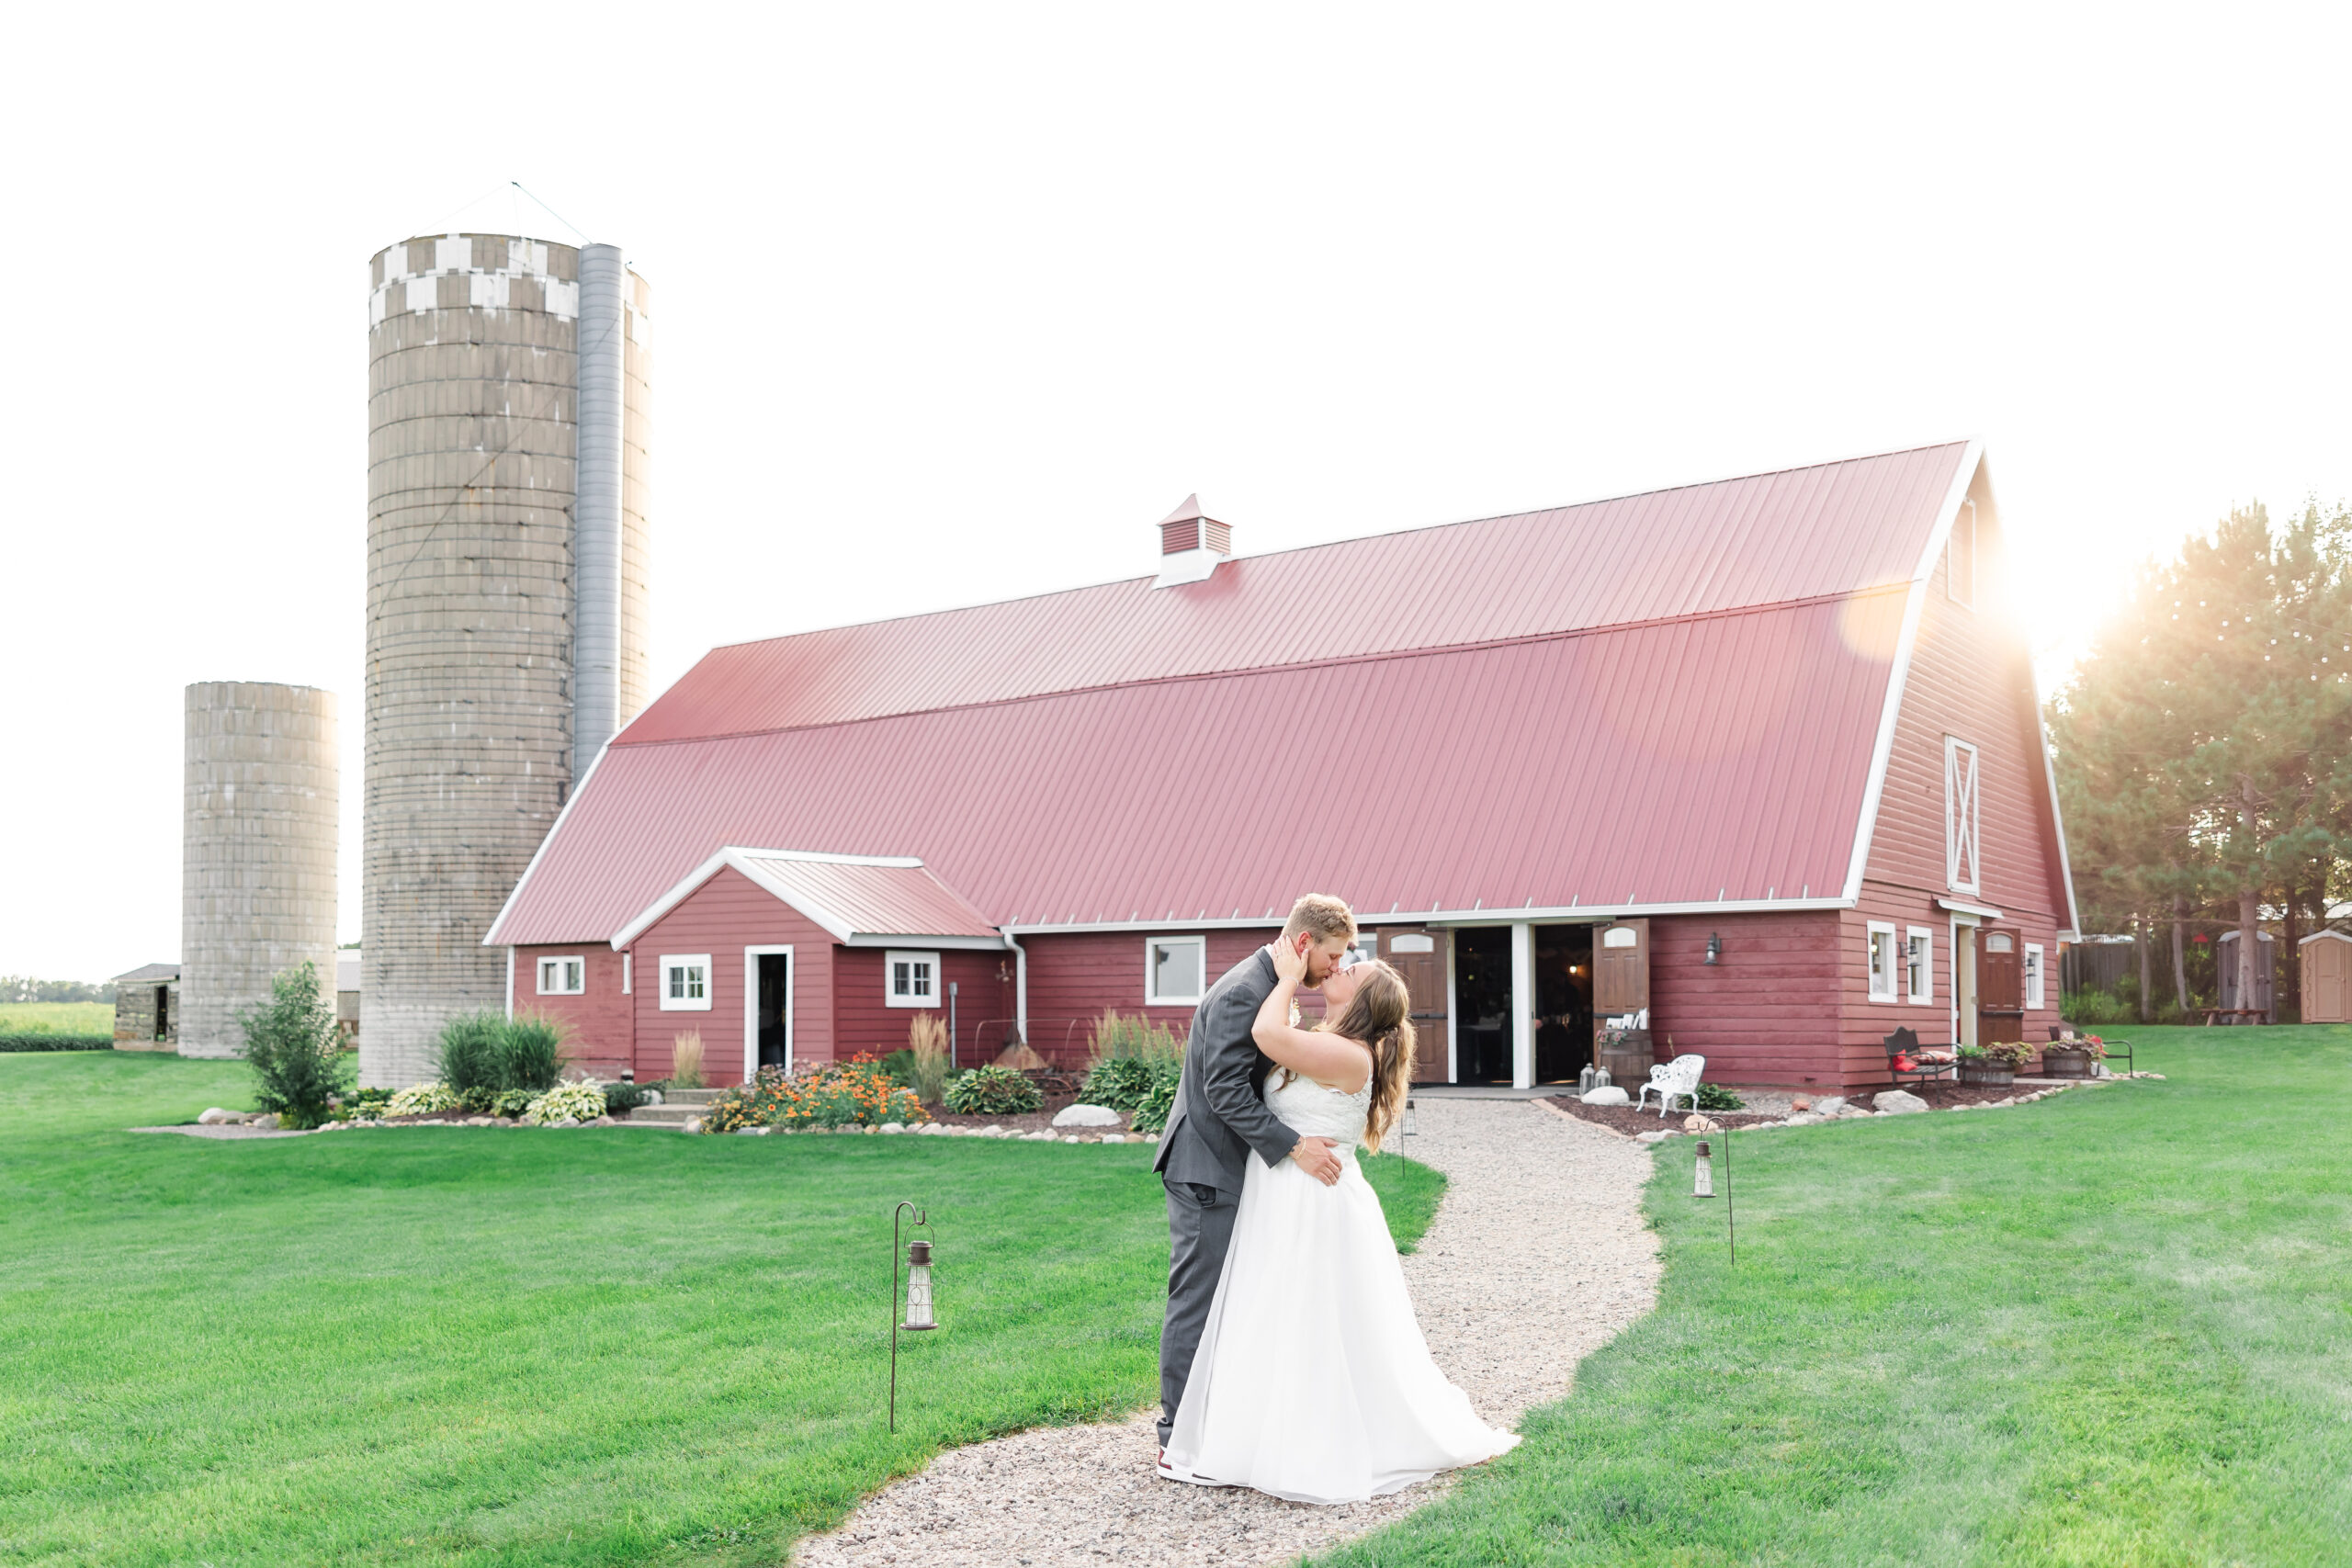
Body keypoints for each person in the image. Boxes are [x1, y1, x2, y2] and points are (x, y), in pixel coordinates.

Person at [1158, 932, 1521, 1504]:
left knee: (1308, 1320)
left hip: (1312, 1201)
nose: (1341, 968)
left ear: (1363, 1002)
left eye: (1353, 970)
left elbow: (1265, 1035)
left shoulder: (1351, 1055)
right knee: (1270, 1314)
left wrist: (1284, 975)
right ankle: (1247, 1432)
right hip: (1282, 1193)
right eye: (1341, 958)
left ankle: (1304, 1440)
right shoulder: (1326, 1040)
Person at [1153, 894, 1356, 1463]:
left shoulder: (1268, 985)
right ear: (1303, 943)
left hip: (1223, 1166)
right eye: (1333, 956)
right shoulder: (1246, 990)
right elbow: (1224, 1092)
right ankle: (1177, 1436)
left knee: (1226, 1298)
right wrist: (1295, 1146)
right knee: (1197, 1298)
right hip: (1204, 1170)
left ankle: (1215, 1420)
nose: (1336, 968)